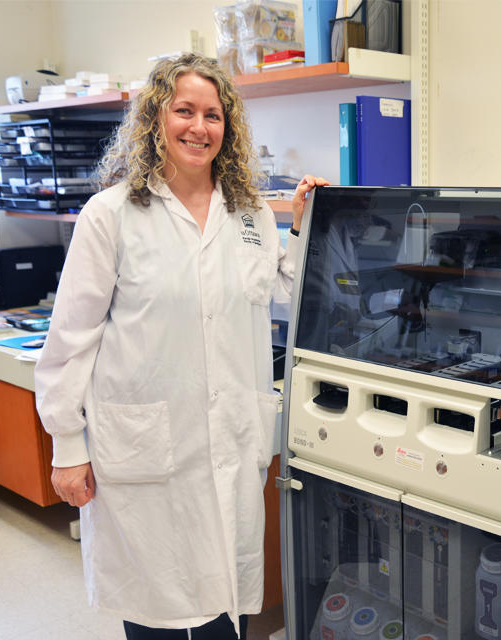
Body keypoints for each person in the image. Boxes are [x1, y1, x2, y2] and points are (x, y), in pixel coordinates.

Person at [33, 53, 328, 639]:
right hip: (145, 446)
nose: (199, 127)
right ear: (155, 120)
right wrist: (68, 445)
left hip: (228, 440)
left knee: (227, 604)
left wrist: (303, 227)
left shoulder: (250, 214)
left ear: (229, 128)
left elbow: (284, 292)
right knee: (155, 607)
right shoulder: (110, 215)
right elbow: (70, 338)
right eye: (184, 111)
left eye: (213, 115)